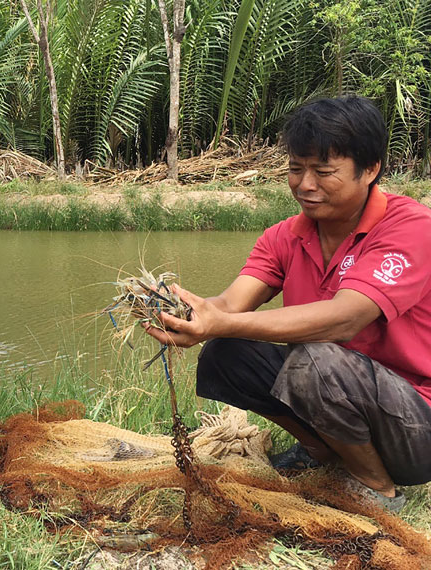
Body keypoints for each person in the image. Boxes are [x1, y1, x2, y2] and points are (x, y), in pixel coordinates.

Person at [143, 95, 431, 512]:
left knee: (316, 359)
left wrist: (221, 322)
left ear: (370, 170)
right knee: (225, 354)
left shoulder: (411, 228)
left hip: (415, 425)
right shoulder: (284, 235)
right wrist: (187, 312)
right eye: (296, 169)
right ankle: (322, 450)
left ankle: (377, 487)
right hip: (332, 391)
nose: (305, 184)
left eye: (324, 171)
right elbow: (230, 303)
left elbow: (345, 319)